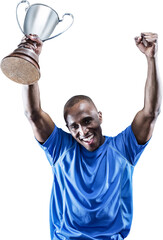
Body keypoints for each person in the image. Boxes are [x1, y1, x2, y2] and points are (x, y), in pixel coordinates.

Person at [22, 32, 162, 239]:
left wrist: (151, 58)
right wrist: (31, 58)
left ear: (100, 117)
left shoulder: (123, 148)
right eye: (74, 127)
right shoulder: (61, 148)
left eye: (87, 121)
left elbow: (151, 113)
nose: (83, 131)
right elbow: (33, 114)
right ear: (68, 129)